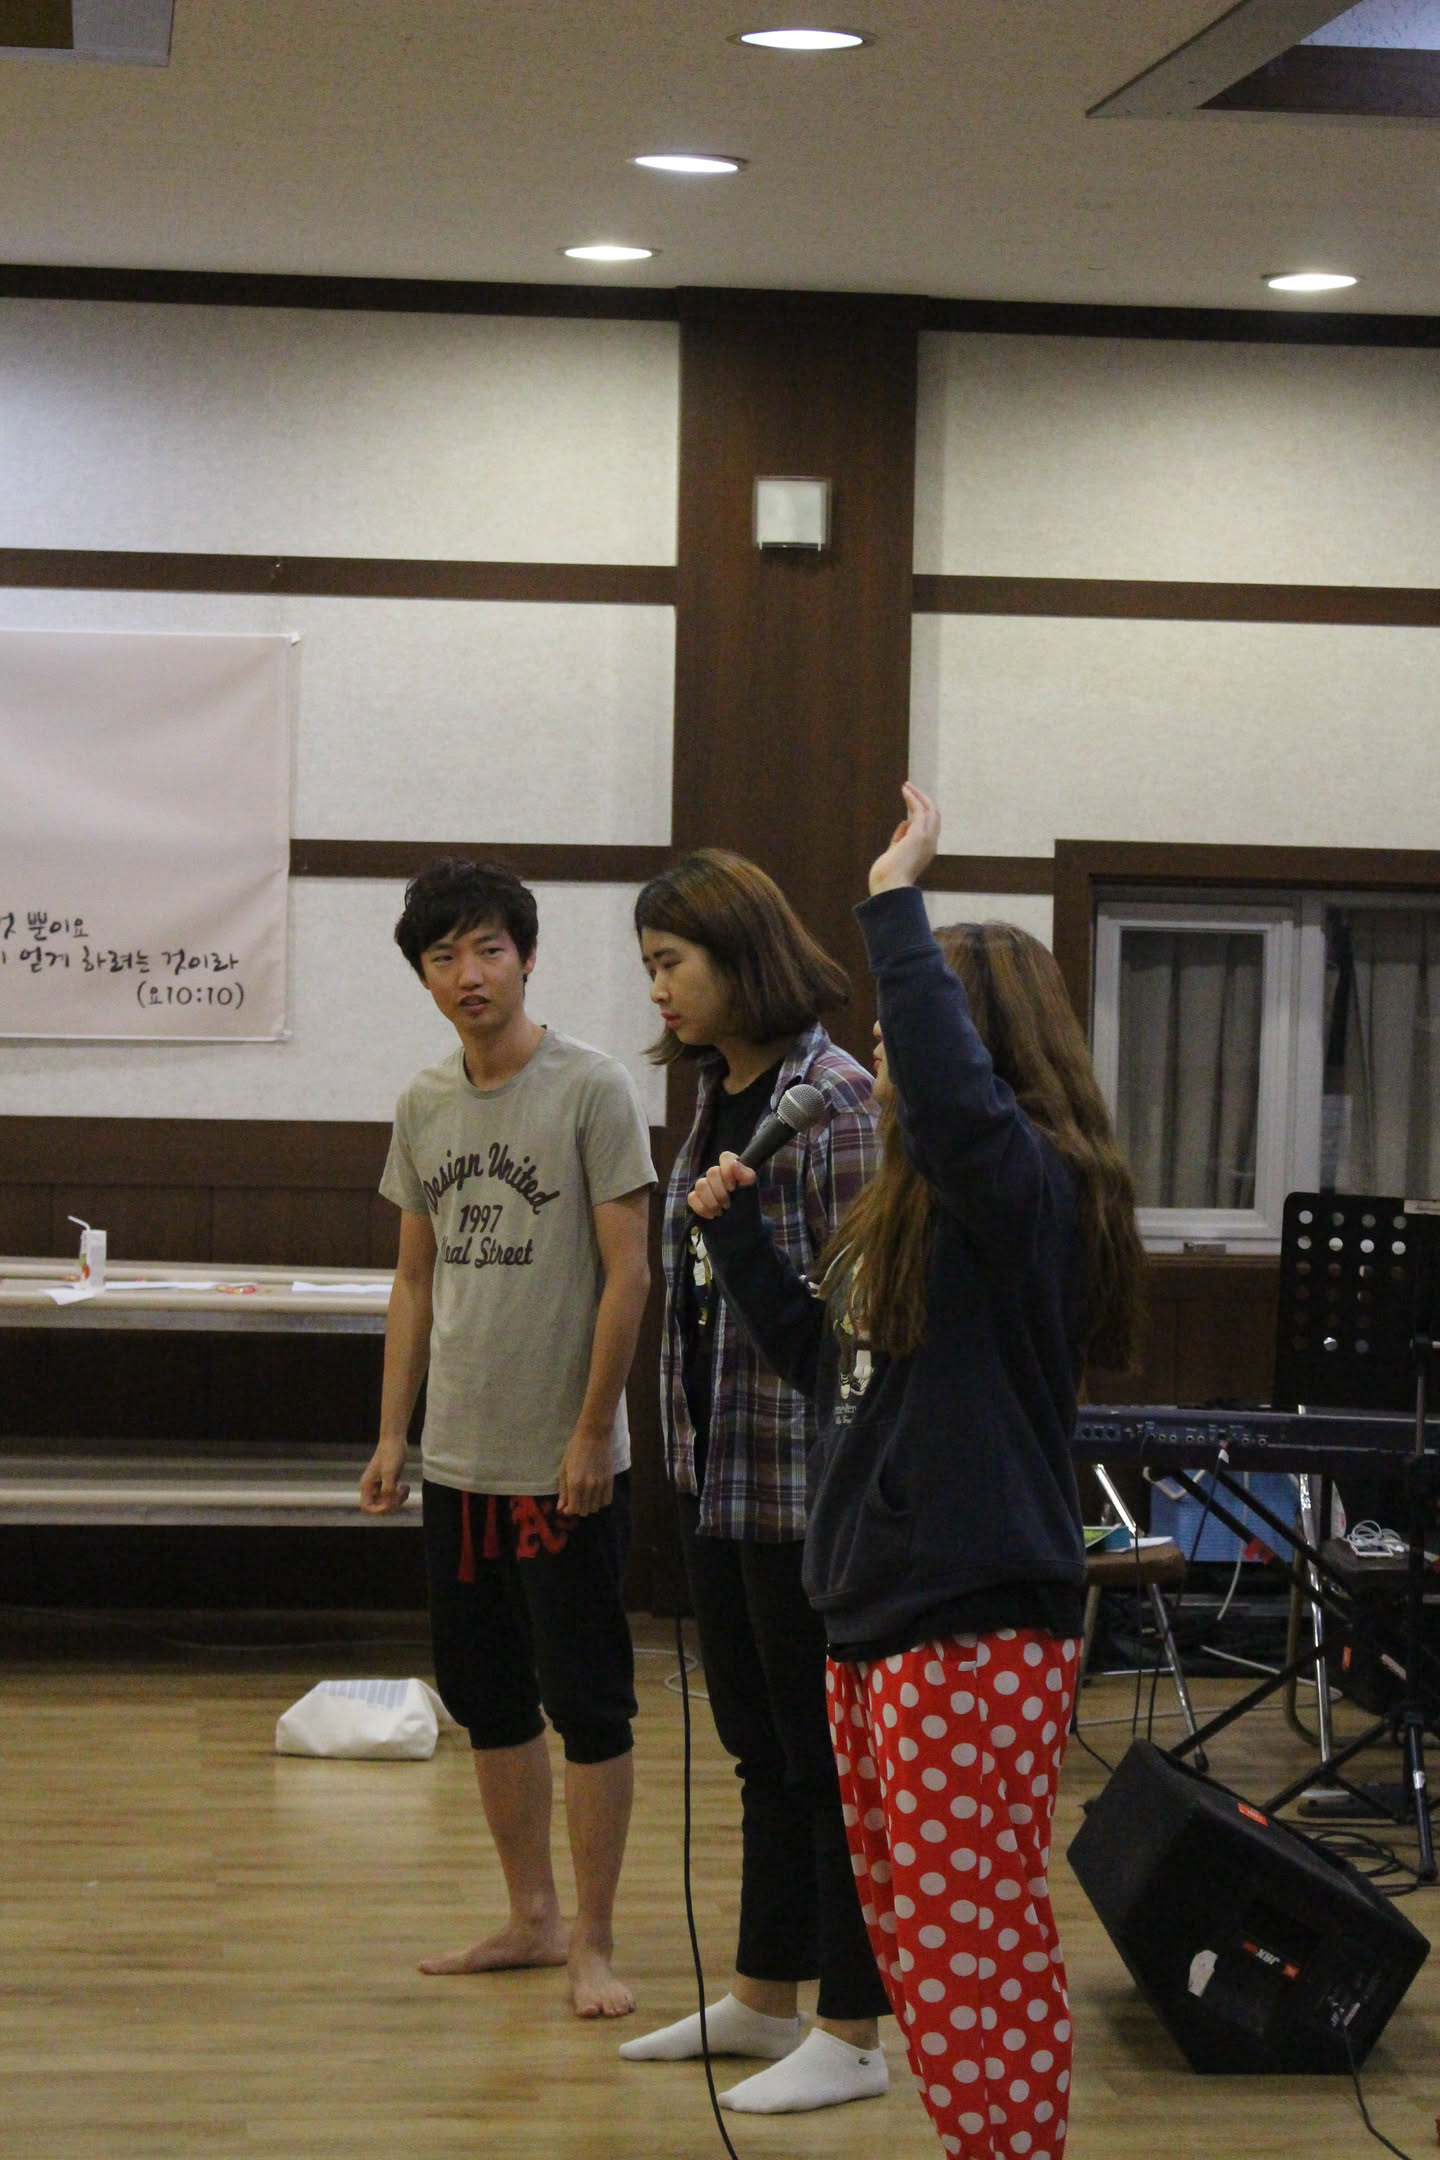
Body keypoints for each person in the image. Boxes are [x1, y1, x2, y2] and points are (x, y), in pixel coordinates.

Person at [687, 784, 1146, 2160]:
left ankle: (1011, 2149)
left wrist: (895, 895)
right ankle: (981, 2141)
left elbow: (950, 1095)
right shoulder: (918, 1209)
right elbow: (832, 1375)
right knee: (914, 1937)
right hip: (878, 1611)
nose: (884, 1042)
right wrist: (739, 1246)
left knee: (970, 1938)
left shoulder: (1027, 1187)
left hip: (971, 1615)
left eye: (910, 1018)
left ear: (979, 1045)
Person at [359, 858, 655, 2021]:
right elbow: (413, 1281)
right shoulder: (425, 1102)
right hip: (461, 1464)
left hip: (565, 1468)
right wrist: (394, 1435)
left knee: (589, 1702)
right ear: (425, 978)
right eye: (444, 957)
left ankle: (595, 1941)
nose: (468, 974)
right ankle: (532, 1918)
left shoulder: (593, 1089)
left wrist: (591, 1433)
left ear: (527, 958)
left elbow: (629, 1276)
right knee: (486, 1698)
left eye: (488, 949)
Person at [621, 849, 892, 2113]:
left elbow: (857, 1328)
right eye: (650, 967)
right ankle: (764, 1993)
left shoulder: (834, 1103)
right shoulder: (719, 1094)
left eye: (672, 963)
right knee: (758, 1752)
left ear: (743, 957)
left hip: (803, 1487)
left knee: (826, 1765)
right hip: (715, 1472)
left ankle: (853, 2030)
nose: (658, 990)